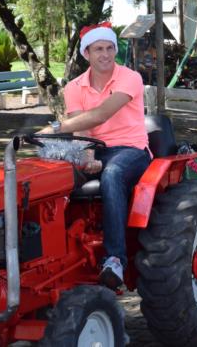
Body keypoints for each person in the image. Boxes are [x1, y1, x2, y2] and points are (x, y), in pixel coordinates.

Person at [38, 21, 151, 289]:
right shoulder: (75, 86)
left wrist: (55, 127)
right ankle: (54, 253)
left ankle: (115, 260)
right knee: (50, 175)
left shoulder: (129, 77)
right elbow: (84, 126)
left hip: (130, 148)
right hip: (95, 147)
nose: (105, 54)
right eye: (98, 49)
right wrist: (87, 156)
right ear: (86, 54)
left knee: (112, 174)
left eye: (110, 48)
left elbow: (100, 114)